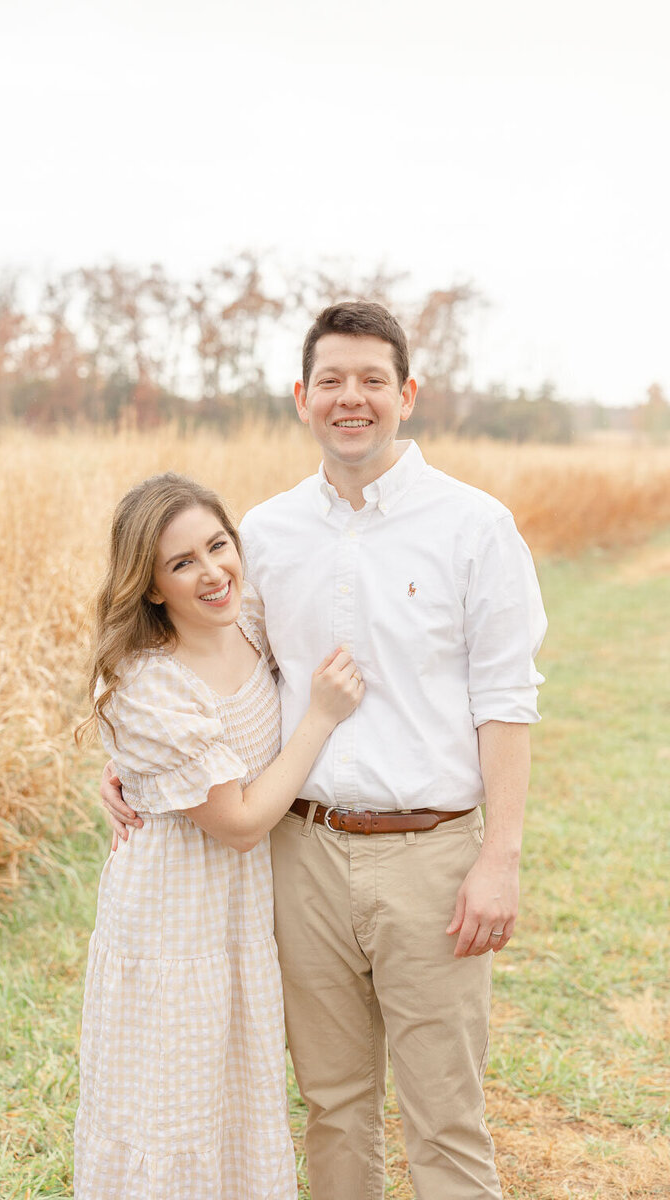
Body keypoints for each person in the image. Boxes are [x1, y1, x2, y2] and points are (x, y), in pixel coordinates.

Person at [102, 302, 547, 1200]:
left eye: (373, 380)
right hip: (297, 853)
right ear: (303, 398)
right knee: (333, 1107)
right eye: (332, 382)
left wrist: (499, 860)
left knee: (446, 1115)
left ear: (407, 394)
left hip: (431, 854)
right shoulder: (263, 534)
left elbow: (506, 700)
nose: (353, 399)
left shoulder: (474, 527)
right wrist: (134, 766)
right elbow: (203, 655)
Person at [74, 472, 364, 1200]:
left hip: (241, 914)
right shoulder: (146, 681)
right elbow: (236, 822)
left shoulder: (250, 622)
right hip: (174, 920)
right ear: (150, 586)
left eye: (217, 545)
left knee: (236, 1100)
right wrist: (321, 718)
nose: (211, 572)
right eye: (182, 563)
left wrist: (125, 770)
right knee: (169, 1112)